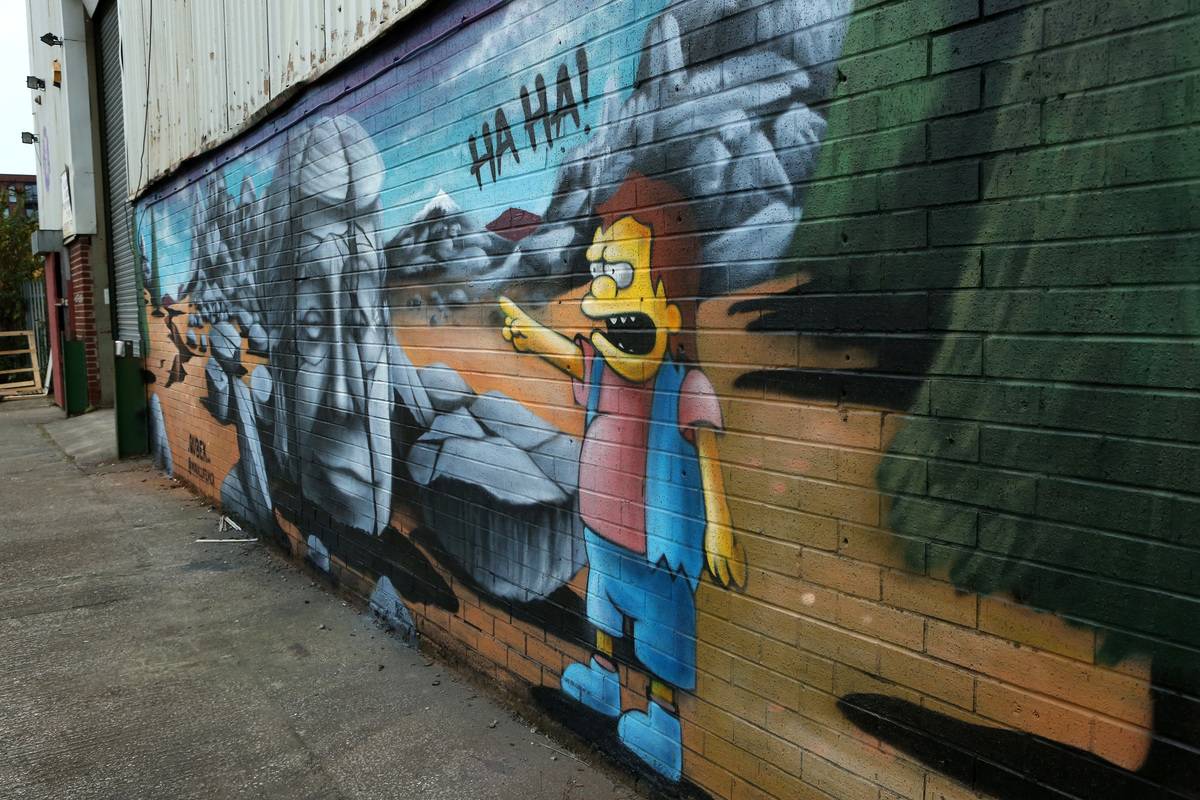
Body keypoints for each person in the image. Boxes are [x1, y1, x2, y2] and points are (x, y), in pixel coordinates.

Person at [498, 174, 745, 780]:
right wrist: (530, 337)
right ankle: (604, 680)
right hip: (603, 523)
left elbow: (708, 465)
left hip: (661, 545)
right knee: (604, 605)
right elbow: (571, 354)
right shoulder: (606, 366)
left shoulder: (686, 387)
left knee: (661, 630)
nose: (600, 299)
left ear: (670, 298)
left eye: (621, 277)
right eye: (598, 275)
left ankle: (662, 724)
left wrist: (718, 530)